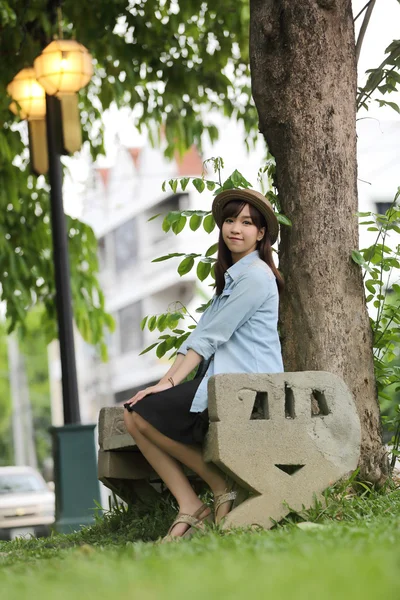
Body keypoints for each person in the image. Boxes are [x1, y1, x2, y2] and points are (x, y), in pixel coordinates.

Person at [123, 188, 284, 540]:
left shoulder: (256, 276)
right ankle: (191, 503)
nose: (235, 228)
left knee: (139, 414)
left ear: (261, 234)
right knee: (134, 414)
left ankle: (216, 484)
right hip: (224, 383)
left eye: (246, 222)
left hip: (246, 387)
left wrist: (166, 384)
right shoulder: (234, 277)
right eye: (230, 220)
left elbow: (210, 336)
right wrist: (167, 381)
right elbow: (201, 337)